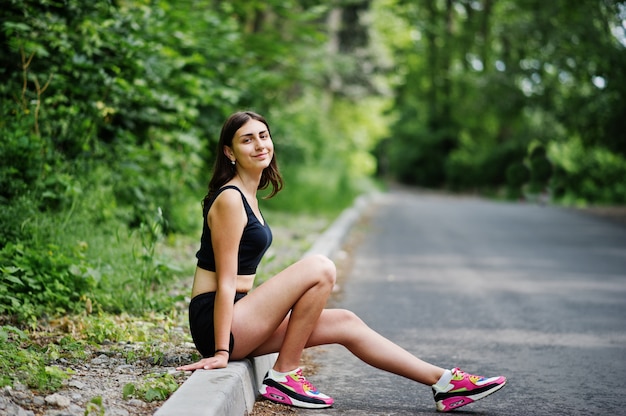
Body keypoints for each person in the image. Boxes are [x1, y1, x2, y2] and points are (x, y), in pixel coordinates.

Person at [176, 111, 506, 412]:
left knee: (346, 322)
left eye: (263, 135)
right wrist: (220, 352)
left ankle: (443, 382)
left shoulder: (248, 194)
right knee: (320, 267)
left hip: (239, 316)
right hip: (219, 321)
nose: (259, 144)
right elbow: (226, 281)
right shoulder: (231, 199)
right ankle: (284, 374)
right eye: (247, 139)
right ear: (230, 152)